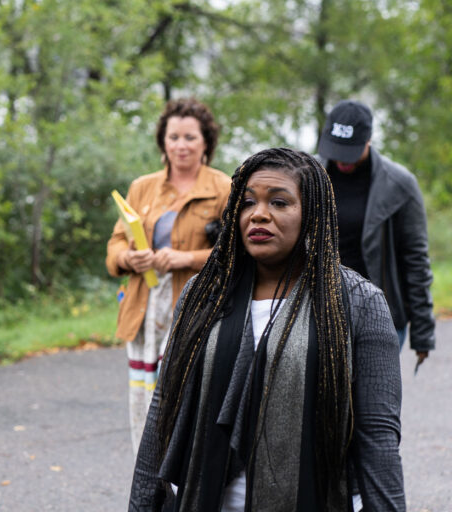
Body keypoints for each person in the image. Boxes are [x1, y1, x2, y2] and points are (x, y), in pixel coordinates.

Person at [129, 148, 405, 511]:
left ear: (312, 214)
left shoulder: (358, 302)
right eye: (247, 203)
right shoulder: (203, 294)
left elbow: (378, 436)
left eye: (279, 202)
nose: (259, 214)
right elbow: (164, 406)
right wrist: (141, 504)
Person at [106, 98, 232, 454]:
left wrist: (185, 258)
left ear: (206, 142)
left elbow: (236, 255)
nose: (181, 145)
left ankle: (181, 473)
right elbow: (116, 244)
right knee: (143, 398)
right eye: (173, 137)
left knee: (183, 395)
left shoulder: (224, 188)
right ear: (163, 141)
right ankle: (146, 470)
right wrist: (130, 257)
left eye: (190, 137)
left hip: (193, 306)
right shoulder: (142, 187)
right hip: (144, 307)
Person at [317, 99, 435, 367]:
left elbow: (416, 259)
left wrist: (423, 333)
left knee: (371, 393)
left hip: (381, 315)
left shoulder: (400, 184)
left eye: (350, 151)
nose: (342, 159)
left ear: (368, 139)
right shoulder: (307, 174)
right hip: (320, 309)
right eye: (336, 149)